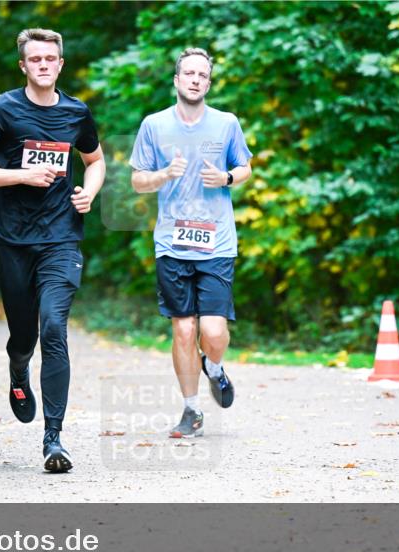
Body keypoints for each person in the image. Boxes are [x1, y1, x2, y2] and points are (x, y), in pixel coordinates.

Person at [0, 27, 106, 473]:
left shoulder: (77, 113)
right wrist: (19, 176)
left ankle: (53, 439)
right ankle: (18, 368)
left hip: (61, 237)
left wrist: (90, 194)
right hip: (13, 240)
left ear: (61, 64)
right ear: (24, 65)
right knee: (24, 336)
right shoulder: (2, 111)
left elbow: (95, 160)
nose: (44, 65)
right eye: (35, 59)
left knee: (54, 327)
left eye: (51, 59)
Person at [129, 47, 252, 438]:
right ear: (177, 80)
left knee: (213, 333)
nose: (196, 79)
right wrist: (164, 174)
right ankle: (191, 410)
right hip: (172, 243)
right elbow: (136, 181)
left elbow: (245, 166)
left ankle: (214, 367)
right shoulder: (154, 125)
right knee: (183, 330)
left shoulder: (226, 123)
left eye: (203, 74)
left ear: (208, 83)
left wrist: (228, 179)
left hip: (217, 243)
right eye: (189, 73)